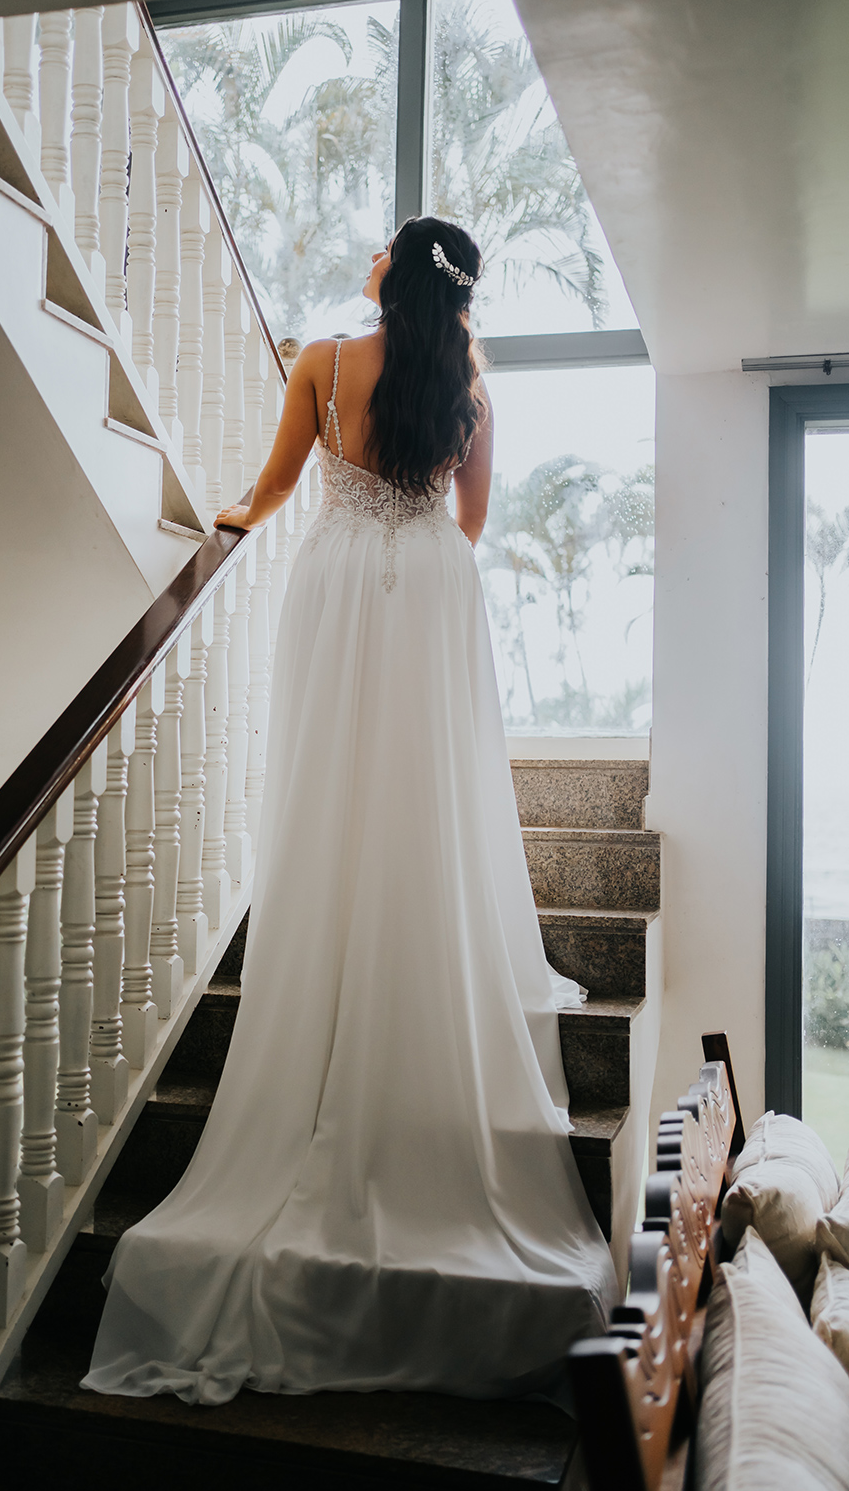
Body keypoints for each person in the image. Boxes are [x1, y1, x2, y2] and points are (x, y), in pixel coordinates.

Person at [83, 216, 617, 1407]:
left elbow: (272, 490)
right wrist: (408, 541)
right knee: (421, 807)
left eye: (381, 245)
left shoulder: (323, 361)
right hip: (430, 590)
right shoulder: (465, 384)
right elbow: (469, 522)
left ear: (390, 271)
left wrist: (226, 524)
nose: (367, 255)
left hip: (333, 589)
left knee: (327, 793)